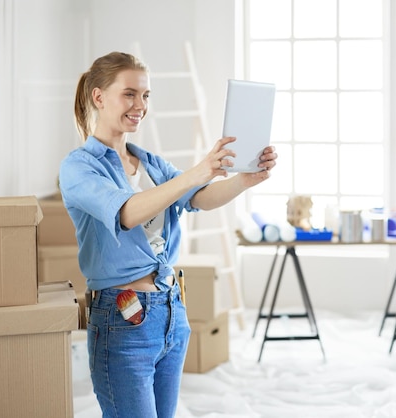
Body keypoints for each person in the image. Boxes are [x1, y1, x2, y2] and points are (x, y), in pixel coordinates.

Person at [58, 51, 277, 418]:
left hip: (170, 311)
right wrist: (197, 171)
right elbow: (127, 212)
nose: (140, 105)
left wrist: (245, 179)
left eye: (145, 96)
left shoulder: (149, 162)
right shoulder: (79, 167)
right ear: (98, 97)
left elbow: (200, 198)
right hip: (122, 318)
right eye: (129, 93)